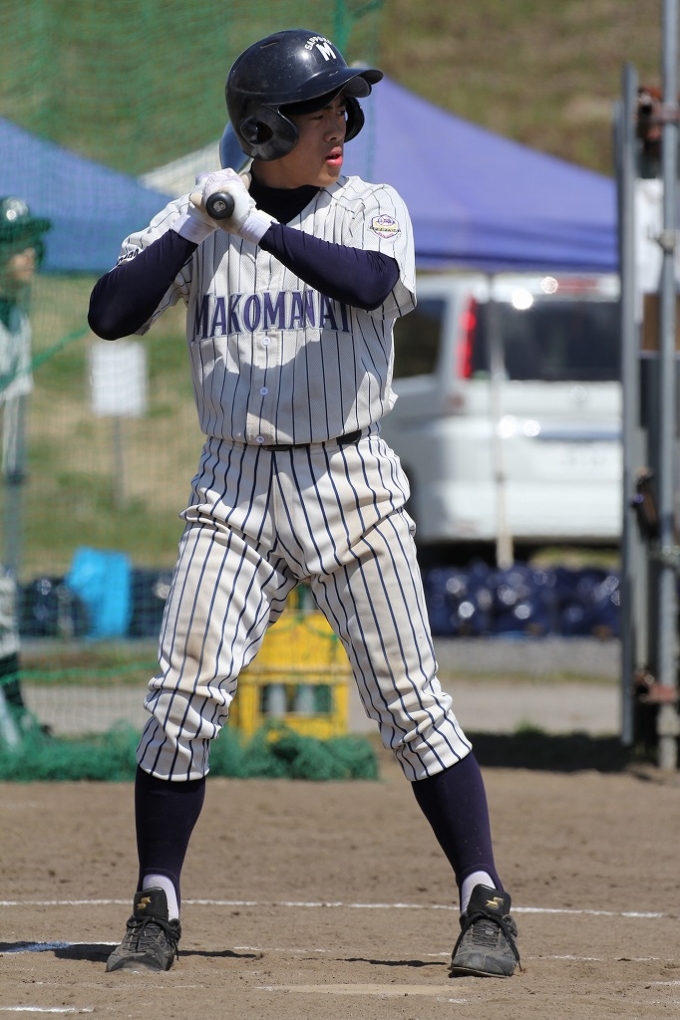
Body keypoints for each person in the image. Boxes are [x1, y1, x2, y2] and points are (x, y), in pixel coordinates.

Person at [88, 29, 521, 979]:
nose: (342, 126)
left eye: (342, 107)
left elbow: (371, 286)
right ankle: (155, 905)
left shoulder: (370, 207)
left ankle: (484, 900)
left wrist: (256, 228)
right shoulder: (200, 214)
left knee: (411, 704)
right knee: (181, 698)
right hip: (234, 487)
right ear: (263, 128)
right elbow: (110, 314)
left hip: (350, 480)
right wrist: (199, 226)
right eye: (320, 110)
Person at [0, 197, 51, 734]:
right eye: (18, 245)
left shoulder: (17, 319)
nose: (30, 253)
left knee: (4, 597)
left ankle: (14, 714)